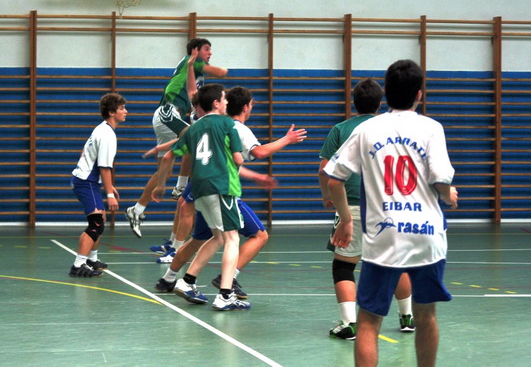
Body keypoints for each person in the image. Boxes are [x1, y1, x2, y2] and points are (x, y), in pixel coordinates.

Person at [324, 59, 458, 366]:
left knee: (369, 321)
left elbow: (333, 179)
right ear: (419, 94)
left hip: (383, 234)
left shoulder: (367, 129)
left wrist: (345, 220)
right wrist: (448, 194)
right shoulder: (432, 128)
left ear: (386, 92)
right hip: (427, 236)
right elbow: (441, 181)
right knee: (427, 316)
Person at [153, 85, 307, 298]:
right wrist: (286, 139)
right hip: (220, 188)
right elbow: (254, 154)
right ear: (245, 107)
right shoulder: (233, 127)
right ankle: (227, 283)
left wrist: (164, 177)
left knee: (205, 238)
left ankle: (171, 279)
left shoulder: (203, 125)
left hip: (199, 187)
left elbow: (191, 151)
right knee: (255, 235)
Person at [319, 78, 415, 340]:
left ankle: (349, 323)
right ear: (379, 103)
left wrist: (327, 196)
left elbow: (325, 170)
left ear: (354, 102)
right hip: (389, 206)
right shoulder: (392, 128)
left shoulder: (340, 129)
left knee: (343, 266)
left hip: (351, 205)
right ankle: (407, 316)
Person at [152, 83, 248, 311]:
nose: (227, 102)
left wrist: (160, 185)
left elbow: (168, 157)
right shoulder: (227, 124)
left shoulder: (193, 129)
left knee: (218, 237)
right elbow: (238, 159)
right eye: (224, 98)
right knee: (232, 238)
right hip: (221, 186)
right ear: (216, 103)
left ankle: (187, 281)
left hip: (199, 187)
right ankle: (225, 295)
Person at [126, 38, 228, 238]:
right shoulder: (194, 63)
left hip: (168, 117)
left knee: (163, 172)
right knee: (194, 138)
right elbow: (222, 72)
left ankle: (137, 210)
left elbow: (192, 93)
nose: (210, 53)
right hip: (168, 112)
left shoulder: (192, 71)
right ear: (195, 51)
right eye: (207, 49)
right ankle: (180, 186)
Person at [69, 92, 128, 277]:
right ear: (111, 112)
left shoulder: (101, 129)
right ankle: (78, 265)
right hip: (86, 182)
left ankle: (91, 259)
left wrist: (108, 186)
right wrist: (109, 195)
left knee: (100, 218)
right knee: (96, 223)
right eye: (122, 108)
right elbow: (104, 167)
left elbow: (86, 154)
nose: (126, 111)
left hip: (87, 180)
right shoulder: (107, 134)